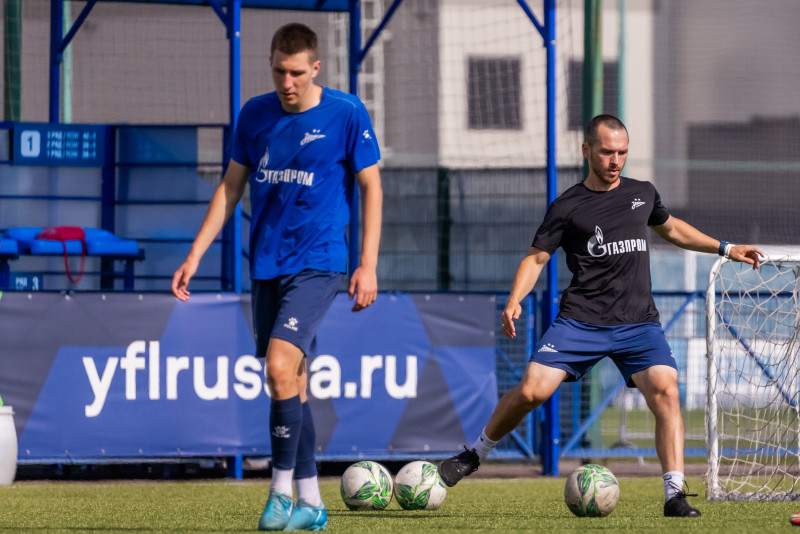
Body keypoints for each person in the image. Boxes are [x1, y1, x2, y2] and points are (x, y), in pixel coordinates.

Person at [437, 114, 763, 518]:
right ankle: (474, 453)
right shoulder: (567, 206)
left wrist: (726, 248)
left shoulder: (643, 193)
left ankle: (674, 494)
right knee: (531, 391)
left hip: (638, 323)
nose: (615, 160)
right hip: (580, 321)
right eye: (607, 152)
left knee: (666, 390)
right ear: (587, 150)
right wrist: (514, 299)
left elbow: (673, 229)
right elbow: (537, 257)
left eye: (623, 152)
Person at [171, 22, 383, 531]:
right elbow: (230, 187)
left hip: (320, 261)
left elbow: (372, 188)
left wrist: (368, 263)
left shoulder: (347, 112)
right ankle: (313, 503)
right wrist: (196, 254)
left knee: (279, 365)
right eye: (278, 72)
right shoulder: (254, 115)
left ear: (315, 68)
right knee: (290, 381)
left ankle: (280, 495)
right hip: (266, 263)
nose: (286, 82)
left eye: (295, 72)